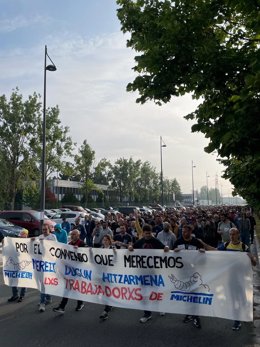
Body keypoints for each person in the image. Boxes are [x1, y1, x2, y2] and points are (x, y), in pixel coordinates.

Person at [173, 224, 215, 329]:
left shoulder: (196, 242)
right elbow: (172, 257)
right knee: (186, 295)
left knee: (194, 296)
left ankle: (196, 316)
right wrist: (173, 252)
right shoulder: (178, 242)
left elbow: (204, 260)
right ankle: (189, 313)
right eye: (182, 232)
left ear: (191, 232)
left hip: (194, 273)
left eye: (186, 232)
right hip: (182, 273)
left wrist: (202, 253)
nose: (183, 233)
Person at [128, 224, 169, 323]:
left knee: (156, 291)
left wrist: (166, 247)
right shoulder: (140, 241)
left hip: (153, 271)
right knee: (144, 293)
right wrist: (130, 247)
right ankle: (147, 313)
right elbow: (132, 247)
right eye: (146, 233)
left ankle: (159, 308)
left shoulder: (155, 241)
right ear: (143, 233)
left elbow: (164, 247)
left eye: (149, 233)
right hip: (142, 272)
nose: (147, 235)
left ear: (151, 233)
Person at [218, 227, 256, 331]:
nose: (232, 236)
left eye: (234, 234)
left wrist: (252, 258)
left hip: (242, 279)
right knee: (234, 300)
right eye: (230, 234)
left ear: (238, 234)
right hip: (230, 279)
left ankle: (245, 315)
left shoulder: (244, 247)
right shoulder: (225, 245)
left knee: (243, 299)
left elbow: (254, 263)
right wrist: (203, 247)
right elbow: (214, 253)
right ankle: (237, 321)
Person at [53, 229, 86, 314]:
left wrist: (78, 251)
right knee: (68, 288)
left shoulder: (82, 244)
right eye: (71, 234)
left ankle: (78, 304)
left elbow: (85, 258)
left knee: (75, 288)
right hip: (70, 271)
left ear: (78, 235)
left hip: (78, 271)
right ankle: (63, 307)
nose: (72, 236)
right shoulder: (69, 244)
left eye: (74, 234)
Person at [37, 223, 57, 312]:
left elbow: (57, 248)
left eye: (46, 229)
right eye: (43, 230)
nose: (44, 231)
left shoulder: (53, 237)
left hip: (50, 263)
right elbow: (33, 246)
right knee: (43, 283)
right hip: (41, 263)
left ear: (49, 229)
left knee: (44, 284)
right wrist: (32, 240)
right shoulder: (40, 236)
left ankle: (42, 303)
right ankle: (48, 298)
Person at [7, 229, 29, 303]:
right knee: (13, 280)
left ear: (26, 235)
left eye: (23, 234)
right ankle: (15, 295)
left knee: (23, 280)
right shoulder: (16, 242)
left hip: (24, 265)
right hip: (16, 264)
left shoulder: (29, 243)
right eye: (21, 234)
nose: (21, 236)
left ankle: (22, 296)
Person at [99, 234, 115, 320]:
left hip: (111, 274)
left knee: (108, 292)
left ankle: (106, 311)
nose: (105, 241)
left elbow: (116, 261)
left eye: (106, 240)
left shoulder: (112, 249)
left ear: (109, 241)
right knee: (105, 292)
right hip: (102, 274)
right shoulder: (101, 250)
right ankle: (110, 304)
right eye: (103, 240)